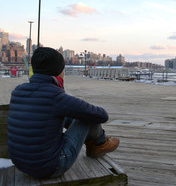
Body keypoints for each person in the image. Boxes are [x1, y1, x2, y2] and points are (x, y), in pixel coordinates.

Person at [7, 47, 119, 179]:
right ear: (59, 71)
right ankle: (100, 143)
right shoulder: (55, 96)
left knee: (64, 114)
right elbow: (101, 115)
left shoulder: (18, 91)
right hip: (51, 167)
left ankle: (96, 145)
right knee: (86, 117)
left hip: (21, 164)